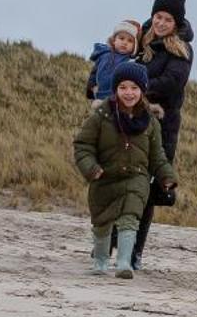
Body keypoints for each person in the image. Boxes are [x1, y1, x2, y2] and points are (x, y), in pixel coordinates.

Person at [72, 60, 175, 278]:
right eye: (123, 87)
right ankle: (100, 262)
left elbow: (157, 156)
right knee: (101, 222)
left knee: (130, 218)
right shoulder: (100, 116)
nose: (129, 93)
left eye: (134, 88)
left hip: (136, 178)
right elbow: (83, 145)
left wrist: (166, 176)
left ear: (142, 90)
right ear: (116, 89)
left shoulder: (150, 122)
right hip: (104, 177)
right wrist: (91, 168)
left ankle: (124, 263)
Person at [130, 0, 194, 270]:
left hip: (162, 126)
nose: (160, 23)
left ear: (176, 23)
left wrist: (136, 85)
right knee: (121, 183)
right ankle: (110, 244)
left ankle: (135, 251)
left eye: (167, 19)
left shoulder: (180, 49)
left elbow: (172, 82)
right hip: (129, 120)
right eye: (158, 16)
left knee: (145, 190)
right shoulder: (139, 41)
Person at [85, 20, 141, 102]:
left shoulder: (131, 62)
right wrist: (91, 87)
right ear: (114, 40)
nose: (125, 42)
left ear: (134, 47)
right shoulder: (103, 55)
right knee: (98, 112)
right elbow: (94, 73)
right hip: (99, 94)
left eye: (130, 41)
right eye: (121, 38)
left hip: (118, 98)